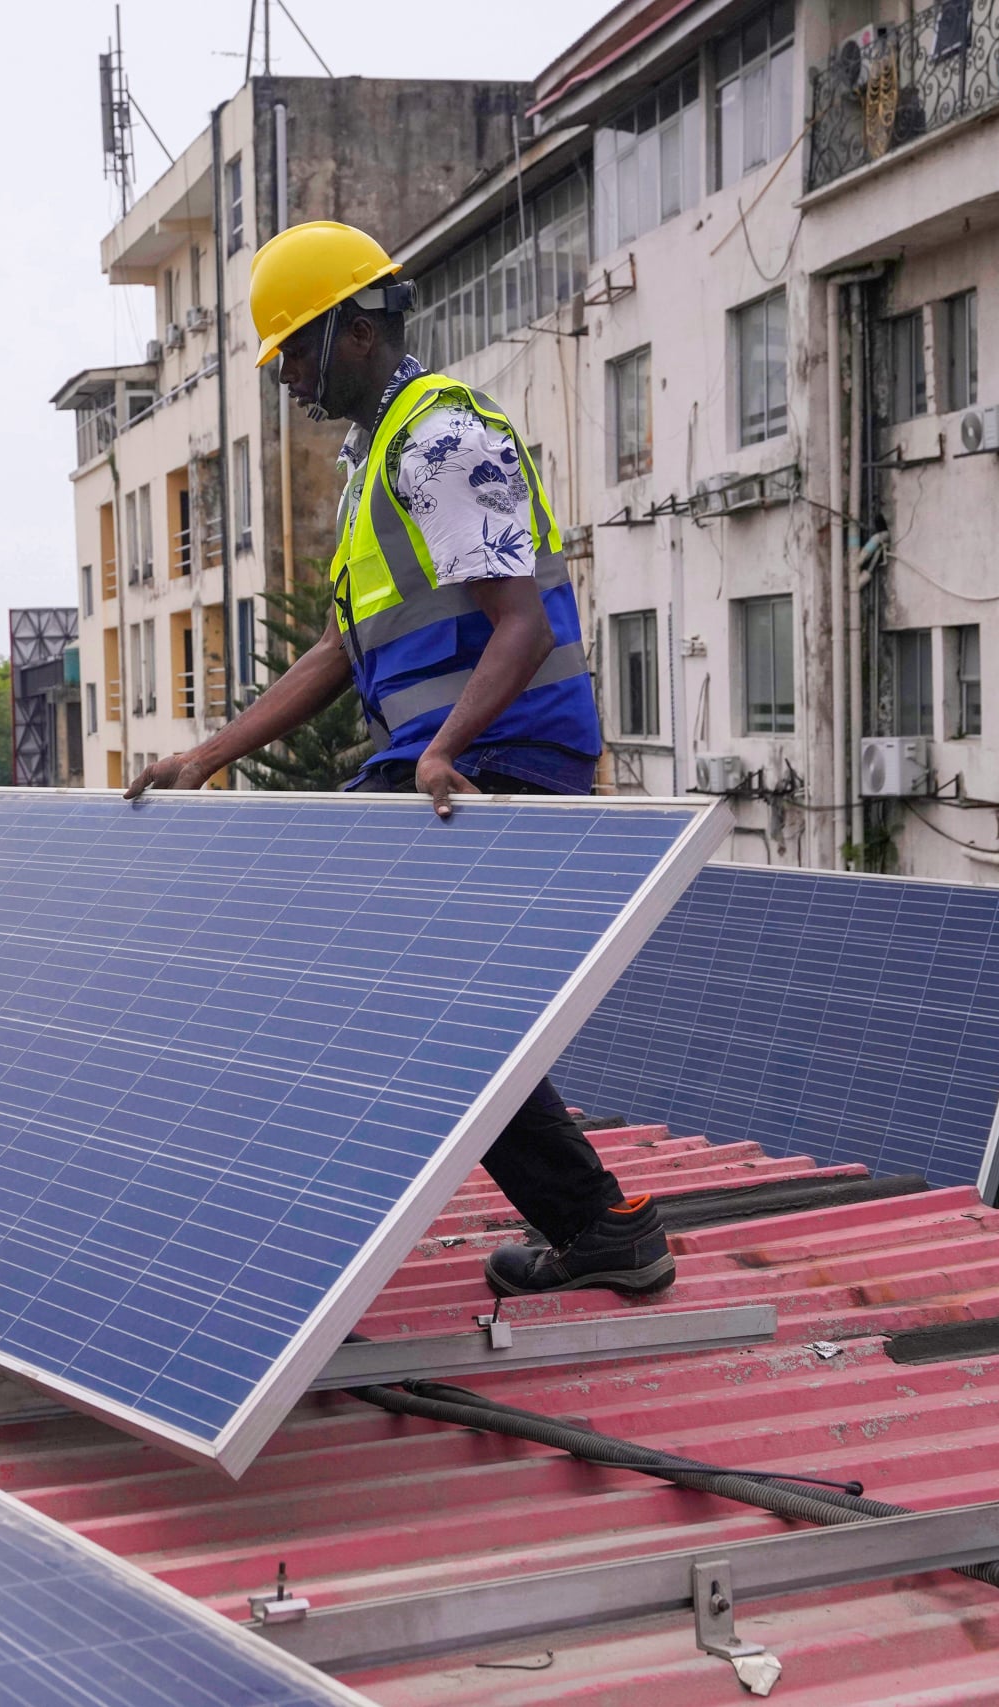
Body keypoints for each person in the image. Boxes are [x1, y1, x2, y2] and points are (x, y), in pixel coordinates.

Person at [123, 219, 671, 1298]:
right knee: (423, 1010)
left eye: (293, 350)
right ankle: (599, 1226)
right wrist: (206, 754)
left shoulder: (439, 441)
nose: (283, 376)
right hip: (440, 759)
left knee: (386, 993)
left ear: (356, 332)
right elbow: (339, 650)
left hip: (495, 760)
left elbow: (517, 620)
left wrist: (446, 749)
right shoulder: (379, 453)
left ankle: (571, 1224)